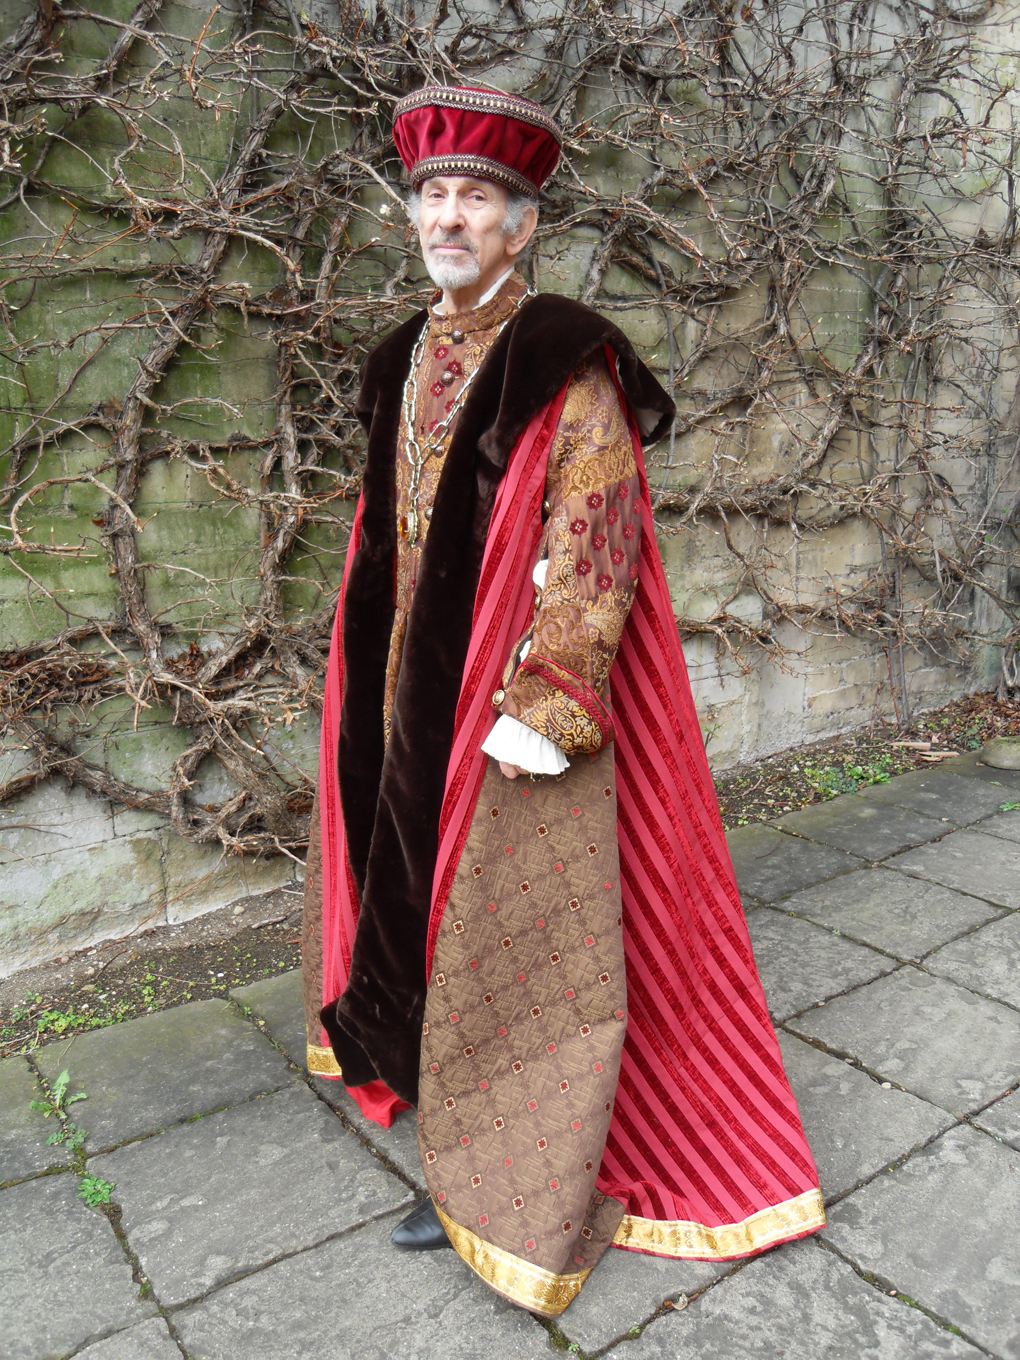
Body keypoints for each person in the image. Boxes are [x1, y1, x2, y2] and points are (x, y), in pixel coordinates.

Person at [301, 85, 824, 1317]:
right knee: (410, 884)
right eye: (433, 195)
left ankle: (506, 1175)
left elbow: (601, 527)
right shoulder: (402, 354)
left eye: (476, 197)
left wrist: (552, 688)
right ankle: (428, 1064)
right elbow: (386, 528)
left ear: (520, 225)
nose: (449, 216)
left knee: (514, 936)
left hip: (509, 688)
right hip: (403, 686)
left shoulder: (561, 355)